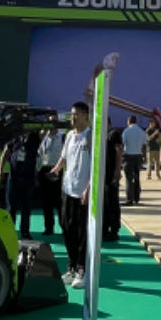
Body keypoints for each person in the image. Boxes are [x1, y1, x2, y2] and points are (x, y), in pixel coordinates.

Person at [52, 102, 94, 286]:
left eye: (76, 115)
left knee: (82, 233)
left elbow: (96, 165)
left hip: (83, 193)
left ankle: (82, 270)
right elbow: (64, 157)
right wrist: (56, 169)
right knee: (66, 228)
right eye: (71, 114)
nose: (72, 118)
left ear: (85, 116)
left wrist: (89, 187)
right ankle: (71, 268)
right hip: (67, 189)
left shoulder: (91, 136)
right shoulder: (69, 135)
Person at [0, 127, 42, 238]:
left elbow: (45, 131)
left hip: (28, 177)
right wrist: (0, 169)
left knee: (26, 206)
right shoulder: (14, 136)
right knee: (10, 206)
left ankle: (25, 232)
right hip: (14, 176)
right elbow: (5, 153)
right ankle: (9, 230)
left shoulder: (35, 137)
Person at [36, 119, 65, 235]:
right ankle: (49, 227)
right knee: (46, 201)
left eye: (52, 123)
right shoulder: (44, 137)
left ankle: (64, 226)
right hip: (44, 169)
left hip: (57, 169)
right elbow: (40, 154)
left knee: (59, 201)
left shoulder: (62, 137)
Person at [120, 115, 147, 205]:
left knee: (128, 179)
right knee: (137, 177)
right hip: (138, 156)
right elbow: (144, 146)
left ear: (129, 121)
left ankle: (129, 199)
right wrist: (144, 157)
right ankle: (137, 198)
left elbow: (122, 145)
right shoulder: (141, 131)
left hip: (128, 156)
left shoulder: (126, 131)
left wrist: (120, 157)